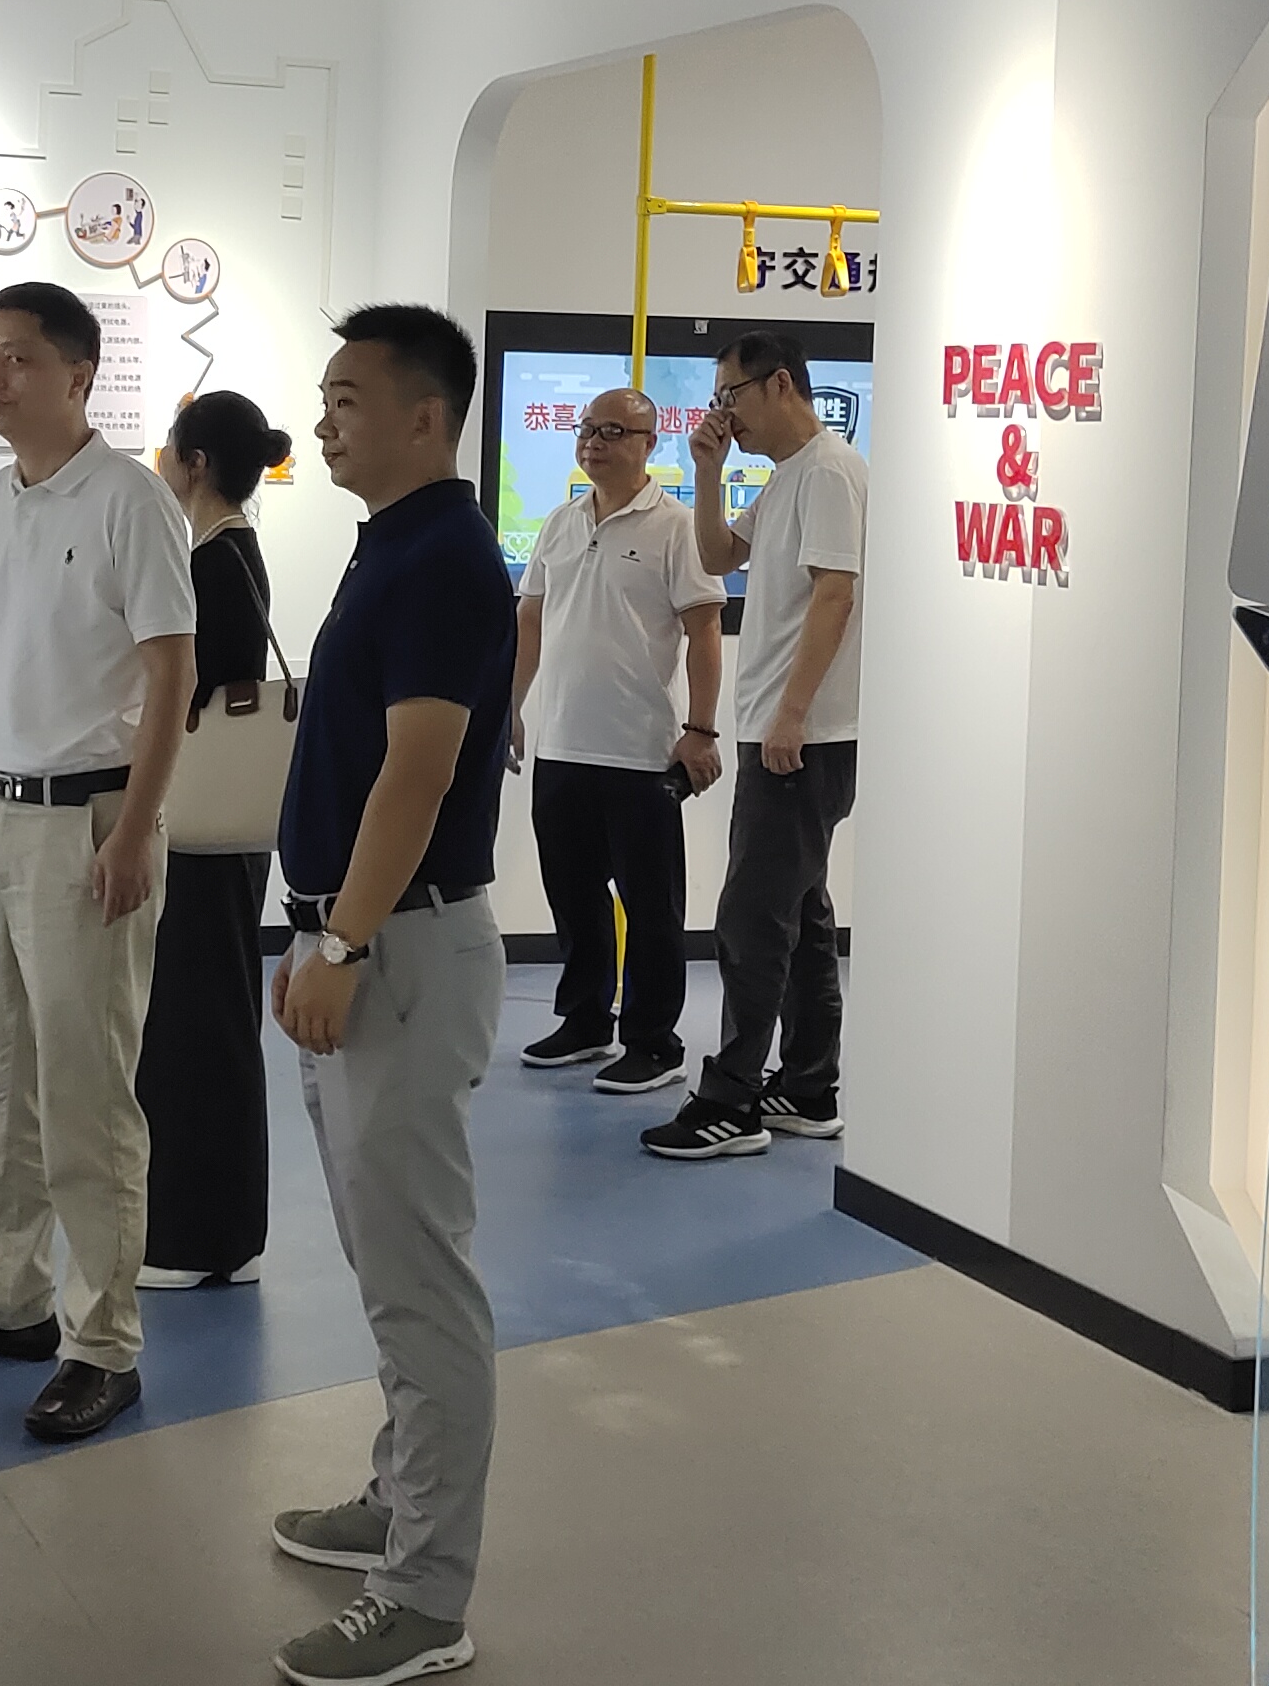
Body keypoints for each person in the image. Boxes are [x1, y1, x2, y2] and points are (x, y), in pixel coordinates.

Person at [0, 280, 196, 1446]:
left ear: (78, 375)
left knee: (85, 1090)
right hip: (5, 815)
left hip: (91, 823)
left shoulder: (130, 501)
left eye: (16, 357)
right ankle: (8, 1301)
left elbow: (170, 672)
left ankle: (101, 1343)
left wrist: (134, 829)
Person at [263, 304, 514, 1686]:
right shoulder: (395, 545)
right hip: (361, 940)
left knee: (422, 1285)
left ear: (428, 416)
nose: (324, 420)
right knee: (386, 1266)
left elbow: (417, 775)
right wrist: (315, 932)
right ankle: (397, 1501)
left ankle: (425, 1595)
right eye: (325, 396)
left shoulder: (445, 561)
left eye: (348, 399)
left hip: (402, 954)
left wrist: (345, 945)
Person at [653, 330, 867, 1161]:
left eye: (731, 397)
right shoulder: (787, 477)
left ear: (780, 384)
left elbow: (836, 595)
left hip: (803, 738)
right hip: (785, 733)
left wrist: (792, 715)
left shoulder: (830, 473)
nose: (724, 414)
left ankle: (731, 1099)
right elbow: (717, 554)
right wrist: (707, 471)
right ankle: (808, 1086)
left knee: (751, 917)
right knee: (801, 914)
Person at [505, 387, 724, 1096]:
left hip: (641, 753)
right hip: (563, 745)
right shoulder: (560, 523)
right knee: (573, 894)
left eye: (611, 431)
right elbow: (531, 621)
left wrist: (701, 730)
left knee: (652, 906)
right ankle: (585, 1020)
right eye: (586, 429)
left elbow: (704, 631)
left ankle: (655, 1043)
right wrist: (512, 705)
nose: (593, 442)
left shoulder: (677, 527)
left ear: (648, 443)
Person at [137, 389, 292, 1291]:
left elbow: (179, 688)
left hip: (200, 825)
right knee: (209, 1016)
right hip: (222, 827)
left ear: (195, 463)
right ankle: (221, 1234)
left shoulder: (212, 562)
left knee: (193, 1022)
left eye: (170, 447)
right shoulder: (230, 553)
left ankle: (196, 1238)